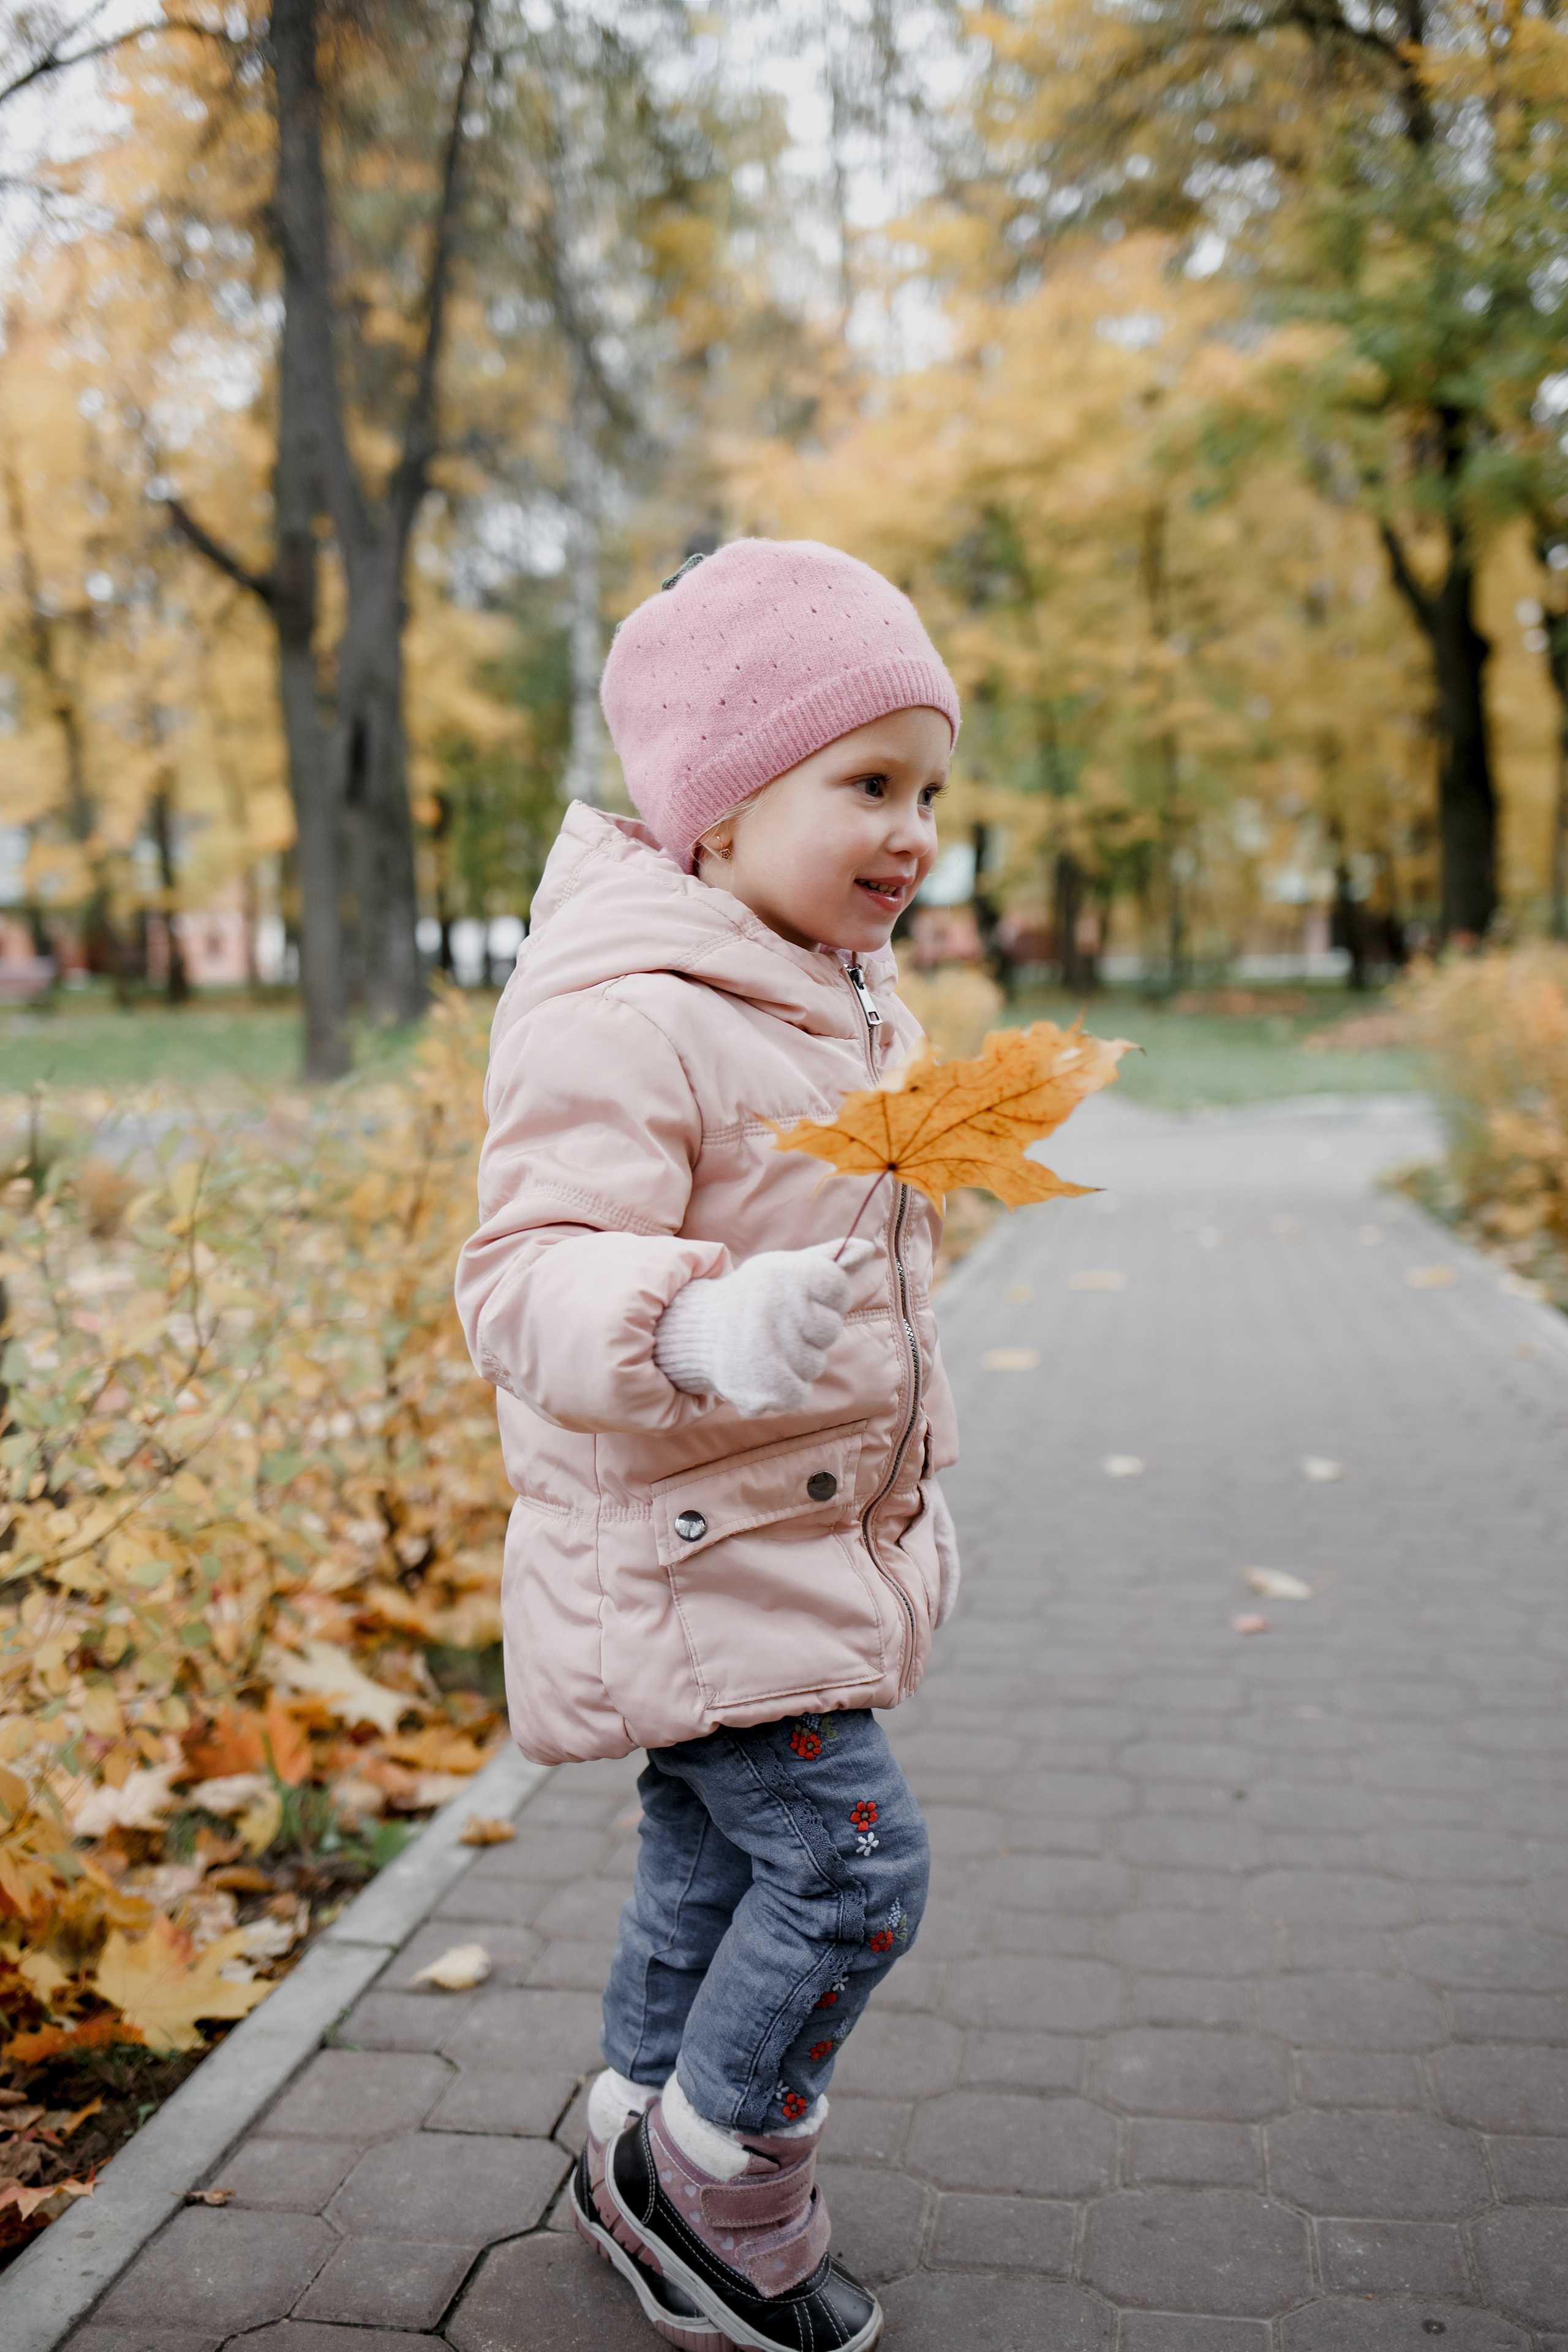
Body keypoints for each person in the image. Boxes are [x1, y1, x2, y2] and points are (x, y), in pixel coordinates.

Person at [455, 537, 963, 2352]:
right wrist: (693, 1322)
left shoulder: (830, 995)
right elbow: (521, 1275)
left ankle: (635, 2118)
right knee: (852, 1870)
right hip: (693, 1552)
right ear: (722, 807)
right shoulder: (629, 1007)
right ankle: (713, 2180)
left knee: (711, 1858)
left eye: (930, 793)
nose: (913, 833)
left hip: (778, 1538)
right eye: (869, 785)